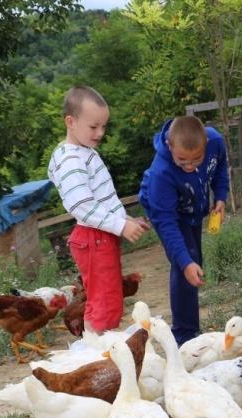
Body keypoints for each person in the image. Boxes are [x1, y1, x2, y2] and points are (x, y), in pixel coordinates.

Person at [47, 85, 149, 335]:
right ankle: (98, 354)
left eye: (103, 126)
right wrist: (120, 225)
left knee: (109, 298)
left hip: (99, 234)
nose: (100, 133)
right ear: (70, 122)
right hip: (93, 237)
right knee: (104, 301)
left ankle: (101, 349)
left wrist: (124, 218)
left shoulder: (82, 153)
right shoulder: (72, 160)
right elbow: (82, 205)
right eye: (93, 127)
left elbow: (101, 199)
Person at [139, 115, 229, 345]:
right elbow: (167, 223)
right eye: (182, 160)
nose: (189, 166)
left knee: (194, 260)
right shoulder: (162, 173)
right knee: (185, 263)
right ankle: (184, 335)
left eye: (196, 159)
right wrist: (185, 261)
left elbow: (219, 168)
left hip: (193, 209)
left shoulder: (215, 141)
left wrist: (220, 196)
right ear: (170, 146)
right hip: (166, 212)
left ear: (205, 145)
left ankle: (188, 329)